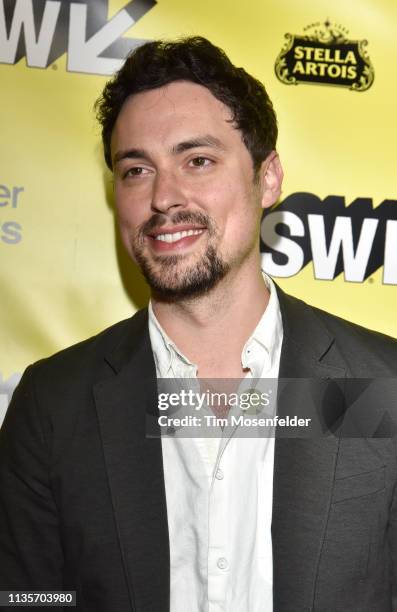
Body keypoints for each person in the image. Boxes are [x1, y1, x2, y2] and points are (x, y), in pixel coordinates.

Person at [0, 36, 396, 612]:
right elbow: (28, 596)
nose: (165, 196)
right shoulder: (54, 403)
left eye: (198, 160)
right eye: (136, 169)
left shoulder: (382, 385)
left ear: (267, 177)